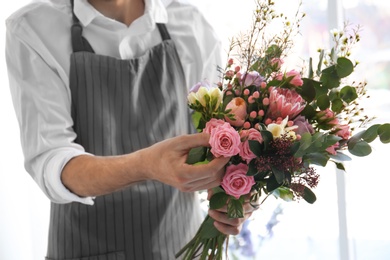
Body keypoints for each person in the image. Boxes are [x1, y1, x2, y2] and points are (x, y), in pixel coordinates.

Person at [6, 0, 255, 259]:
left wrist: (232, 195)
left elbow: (215, 135)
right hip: (85, 248)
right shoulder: (33, 28)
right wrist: (145, 166)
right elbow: (53, 161)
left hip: (183, 245)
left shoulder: (190, 24)